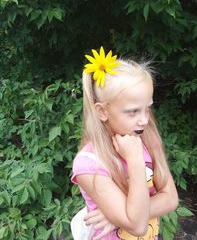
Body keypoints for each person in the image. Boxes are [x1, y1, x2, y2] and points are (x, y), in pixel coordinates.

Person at [71, 47, 179, 240]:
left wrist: (116, 217)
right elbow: (137, 226)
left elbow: (171, 198)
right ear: (102, 111)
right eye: (133, 111)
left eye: (147, 109)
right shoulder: (89, 163)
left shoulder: (146, 138)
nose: (144, 120)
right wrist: (135, 160)